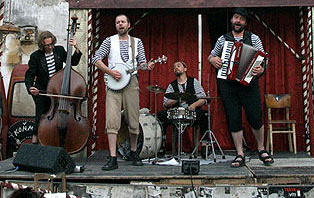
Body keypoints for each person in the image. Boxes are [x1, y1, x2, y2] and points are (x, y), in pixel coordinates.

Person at [208, 7, 274, 167]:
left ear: (245, 23)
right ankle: (239, 153)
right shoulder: (223, 39)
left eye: (242, 19)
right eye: (236, 18)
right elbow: (211, 55)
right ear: (232, 20)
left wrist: (261, 69)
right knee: (234, 117)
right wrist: (212, 60)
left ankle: (261, 149)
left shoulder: (254, 38)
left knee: (255, 116)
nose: (238, 21)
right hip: (228, 84)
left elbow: (263, 58)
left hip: (249, 84)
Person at [92, 14, 154, 171]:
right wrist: (110, 72)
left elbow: (142, 63)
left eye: (123, 22)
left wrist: (147, 66)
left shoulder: (137, 42)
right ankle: (113, 157)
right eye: (117, 22)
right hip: (113, 83)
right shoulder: (109, 41)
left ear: (128, 24)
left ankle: (134, 152)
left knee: (133, 119)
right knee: (112, 120)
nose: (120, 24)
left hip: (131, 82)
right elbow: (96, 59)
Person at [25, 30, 82, 144]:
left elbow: (73, 62)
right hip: (42, 91)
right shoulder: (36, 56)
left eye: (51, 44)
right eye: (47, 45)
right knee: (40, 116)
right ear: (42, 45)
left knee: (57, 117)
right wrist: (31, 88)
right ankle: (35, 143)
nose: (50, 47)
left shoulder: (59, 51)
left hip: (57, 91)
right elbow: (30, 75)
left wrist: (76, 48)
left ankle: (55, 142)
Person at [157, 60, 208, 155]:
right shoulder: (172, 86)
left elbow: (203, 98)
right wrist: (178, 98)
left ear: (185, 69)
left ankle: (205, 145)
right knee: (160, 115)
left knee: (204, 115)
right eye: (174, 67)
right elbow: (165, 103)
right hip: (176, 114)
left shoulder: (194, 82)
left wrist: (194, 105)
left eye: (178, 66)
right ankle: (161, 145)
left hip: (192, 112)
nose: (176, 67)